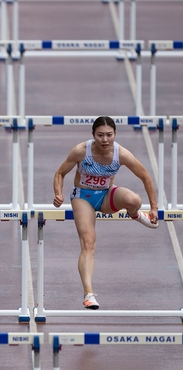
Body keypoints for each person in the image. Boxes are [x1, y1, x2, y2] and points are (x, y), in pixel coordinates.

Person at [53, 116, 158, 310]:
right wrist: (58, 194)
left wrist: (153, 207)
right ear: (93, 135)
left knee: (134, 200)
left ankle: (135, 214)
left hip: (106, 194)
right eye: (100, 135)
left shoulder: (122, 154)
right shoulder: (81, 151)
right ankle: (88, 294)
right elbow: (60, 173)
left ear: (115, 135)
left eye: (109, 135)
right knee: (88, 243)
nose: (105, 139)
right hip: (83, 196)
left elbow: (145, 176)